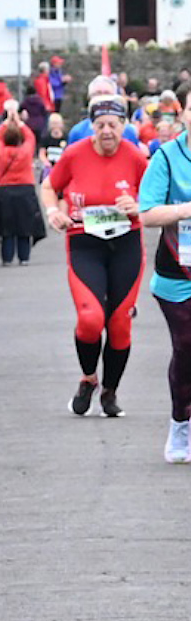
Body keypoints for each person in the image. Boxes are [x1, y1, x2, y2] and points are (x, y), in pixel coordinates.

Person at [42, 94, 147, 418]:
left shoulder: (136, 157)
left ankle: (110, 392)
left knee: (119, 325)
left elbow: (156, 196)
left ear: (124, 126)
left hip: (126, 245)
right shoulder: (74, 154)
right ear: (91, 126)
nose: (106, 132)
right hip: (84, 243)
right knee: (90, 319)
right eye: (100, 125)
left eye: (113, 125)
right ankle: (88, 378)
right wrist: (52, 212)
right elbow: (50, 186)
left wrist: (139, 206)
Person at [139, 86, 191, 461]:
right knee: (188, 348)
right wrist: (186, 209)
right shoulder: (168, 158)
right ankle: (181, 423)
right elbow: (147, 213)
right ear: (183, 113)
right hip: (178, 274)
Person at [0, 106, 46, 266]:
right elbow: (30, 138)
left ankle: (7, 259)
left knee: (7, 228)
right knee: (24, 225)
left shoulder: (0, 152)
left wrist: (6, 123)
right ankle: (24, 258)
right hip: (25, 189)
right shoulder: (25, 152)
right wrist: (19, 122)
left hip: (5, 190)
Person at [68, 76, 142, 149]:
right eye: (97, 94)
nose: (102, 98)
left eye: (107, 93)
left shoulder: (128, 131)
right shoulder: (78, 132)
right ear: (89, 98)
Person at [38, 112, 68, 181]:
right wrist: (46, 163)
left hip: (61, 167)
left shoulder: (66, 137)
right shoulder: (45, 137)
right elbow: (42, 153)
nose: (55, 126)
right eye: (53, 123)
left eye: (57, 123)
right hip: (49, 167)